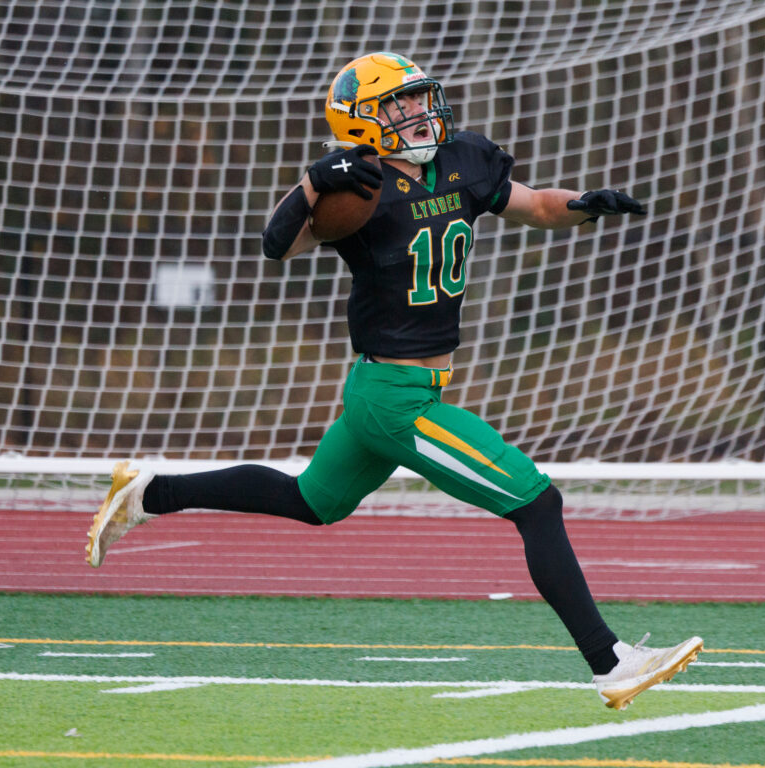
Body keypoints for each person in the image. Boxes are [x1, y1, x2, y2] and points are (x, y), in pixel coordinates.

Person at [85, 52, 703, 710]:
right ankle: (609, 661)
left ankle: (152, 493)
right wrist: (314, 181)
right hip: (394, 400)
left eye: (418, 99)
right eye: (400, 104)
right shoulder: (359, 189)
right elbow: (278, 244)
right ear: (362, 123)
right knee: (535, 502)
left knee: (310, 501)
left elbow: (535, 206)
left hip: (393, 389)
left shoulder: (463, 159)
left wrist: (585, 206)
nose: (418, 112)